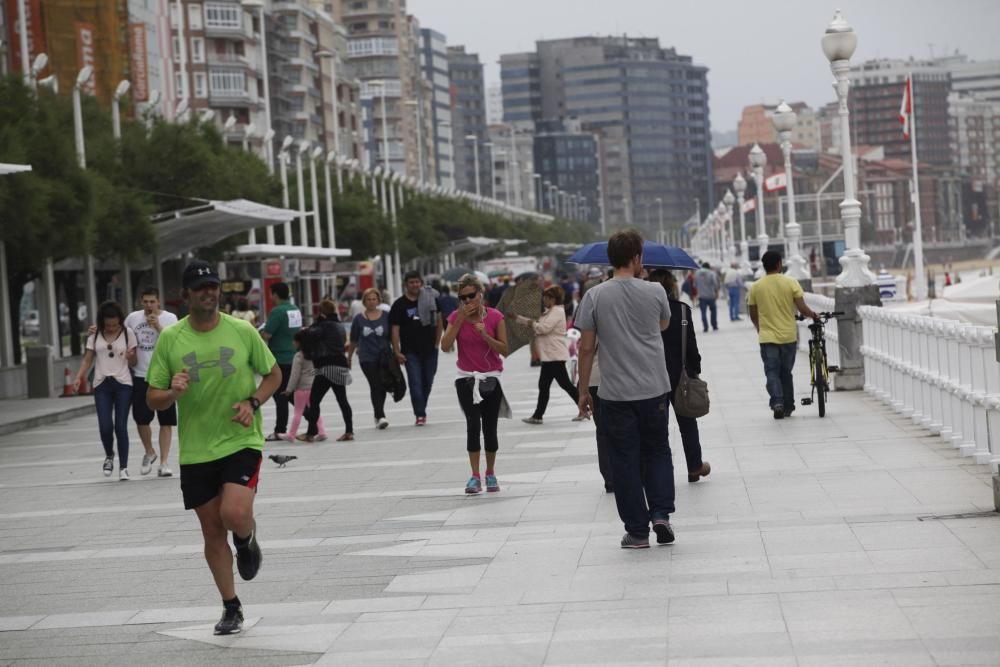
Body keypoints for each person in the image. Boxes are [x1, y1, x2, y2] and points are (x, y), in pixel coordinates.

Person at [146, 260, 282, 636]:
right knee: (210, 530)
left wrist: (253, 402)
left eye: (213, 286)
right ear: (186, 294)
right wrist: (172, 391)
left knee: (235, 513)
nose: (208, 292)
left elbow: (273, 374)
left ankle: (247, 539)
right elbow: (153, 399)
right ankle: (231, 606)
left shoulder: (241, 331)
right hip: (197, 450)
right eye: (200, 287)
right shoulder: (171, 340)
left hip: (241, 438)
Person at [576, 230, 675, 549]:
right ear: (637, 258)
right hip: (655, 388)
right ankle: (661, 513)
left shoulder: (594, 296)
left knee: (625, 460)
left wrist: (582, 391)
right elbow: (663, 326)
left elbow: (587, 348)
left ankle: (636, 530)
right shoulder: (656, 291)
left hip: (615, 393)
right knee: (658, 451)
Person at [440, 274, 509, 494]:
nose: (468, 301)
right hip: (466, 378)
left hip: (491, 378)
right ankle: (474, 475)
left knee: (490, 427)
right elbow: (445, 345)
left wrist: (485, 335)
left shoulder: (495, 317)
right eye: (463, 297)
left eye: (471, 296)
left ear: (481, 294)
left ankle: (490, 472)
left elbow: (504, 350)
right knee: (472, 424)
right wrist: (460, 319)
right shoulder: (455, 316)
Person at [650, 270, 711, 483]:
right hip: (680, 375)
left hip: (651, 376)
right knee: (687, 422)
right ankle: (694, 466)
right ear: (671, 286)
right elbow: (691, 346)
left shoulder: (645, 311)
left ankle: (661, 473)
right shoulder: (682, 311)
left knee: (658, 427)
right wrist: (695, 370)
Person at [748, 250, 819, 420]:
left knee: (771, 372)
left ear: (764, 266)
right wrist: (814, 315)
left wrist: (759, 327)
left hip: (767, 337)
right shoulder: (791, 282)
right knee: (786, 372)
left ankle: (777, 402)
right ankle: (788, 406)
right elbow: (802, 308)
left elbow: (752, 312)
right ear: (779, 264)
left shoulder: (756, 287)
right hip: (788, 336)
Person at [75, 301, 138, 480]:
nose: (111, 328)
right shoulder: (94, 335)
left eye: (114, 324)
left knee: (120, 426)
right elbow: (87, 360)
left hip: (123, 384)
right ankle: (109, 455)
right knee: (105, 426)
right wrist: (79, 377)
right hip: (102, 384)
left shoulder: (128, 333)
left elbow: (134, 362)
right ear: (101, 322)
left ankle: (124, 467)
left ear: (120, 321)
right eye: (108, 325)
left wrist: (131, 357)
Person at [124, 287, 179, 477]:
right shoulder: (132, 318)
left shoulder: (170, 319)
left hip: (164, 376)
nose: (149, 305)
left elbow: (175, 343)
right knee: (141, 418)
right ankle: (149, 451)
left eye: (152, 301)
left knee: (166, 421)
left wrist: (157, 327)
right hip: (140, 374)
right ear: (141, 302)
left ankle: (164, 463)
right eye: (145, 301)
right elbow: (121, 337)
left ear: (158, 302)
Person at [516, 285, 581, 425]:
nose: (543, 300)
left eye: (545, 298)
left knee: (565, 385)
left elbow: (543, 328)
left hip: (554, 355)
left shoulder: (557, 311)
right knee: (546, 385)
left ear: (552, 299)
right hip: (550, 355)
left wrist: (529, 322)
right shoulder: (550, 311)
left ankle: (584, 408)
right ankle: (538, 415)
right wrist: (519, 319)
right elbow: (538, 325)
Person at [389, 271, 443, 426]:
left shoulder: (431, 299)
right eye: (411, 282)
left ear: (421, 283)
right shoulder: (399, 305)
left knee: (428, 382)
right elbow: (395, 329)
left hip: (430, 349)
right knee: (415, 383)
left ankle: (421, 408)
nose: (415, 285)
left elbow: (439, 321)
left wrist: (437, 342)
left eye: (417, 282)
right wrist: (397, 350)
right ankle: (420, 414)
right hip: (410, 351)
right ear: (406, 284)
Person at [301, 299, 354, 441]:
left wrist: (314, 324)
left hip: (325, 367)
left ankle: (311, 433)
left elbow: (307, 337)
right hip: (340, 365)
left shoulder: (321, 326)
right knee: (342, 399)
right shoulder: (339, 325)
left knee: (314, 400)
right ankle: (349, 431)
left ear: (321, 312)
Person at [261, 282, 302, 442]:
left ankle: (280, 430)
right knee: (289, 394)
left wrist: (260, 332)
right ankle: (312, 417)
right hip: (294, 356)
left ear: (276, 295)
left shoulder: (277, 312)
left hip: (279, 358)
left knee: (280, 395)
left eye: (271, 294)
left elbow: (267, 335)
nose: (271, 297)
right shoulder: (295, 309)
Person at [349, 288, 392, 430]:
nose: (372, 302)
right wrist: (349, 357)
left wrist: (397, 352)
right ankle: (380, 415)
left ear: (379, 300)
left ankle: (378, 414)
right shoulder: (358, 319)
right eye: (369, 299)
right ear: (364, 302)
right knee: (375, 385)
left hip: (384, 356)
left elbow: (393, 335)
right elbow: (353, 339)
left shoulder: (386, 316)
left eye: (374, 299)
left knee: (383, 386)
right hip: (367, 357)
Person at [282, 330, 327, 442]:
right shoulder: (315, 354)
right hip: (314, 387)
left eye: (294, 341)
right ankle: (322, 432)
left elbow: (294, 375)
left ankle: (291, 435)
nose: (293, 342)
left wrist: (289, 389)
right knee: (314, 410)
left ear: (299, 342)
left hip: (301, 389)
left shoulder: (299, 356)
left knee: (298, 412)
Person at [694, 262, 719, 332]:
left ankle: (705, 327)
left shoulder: (697, 273)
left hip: (701, 297)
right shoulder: (711, 273)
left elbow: (694, 285)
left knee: (703, 312)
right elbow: (715, 284)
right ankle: (714, 326)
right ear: (708, 267)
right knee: (713, 311)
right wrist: (716, 292)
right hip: (711, 296)